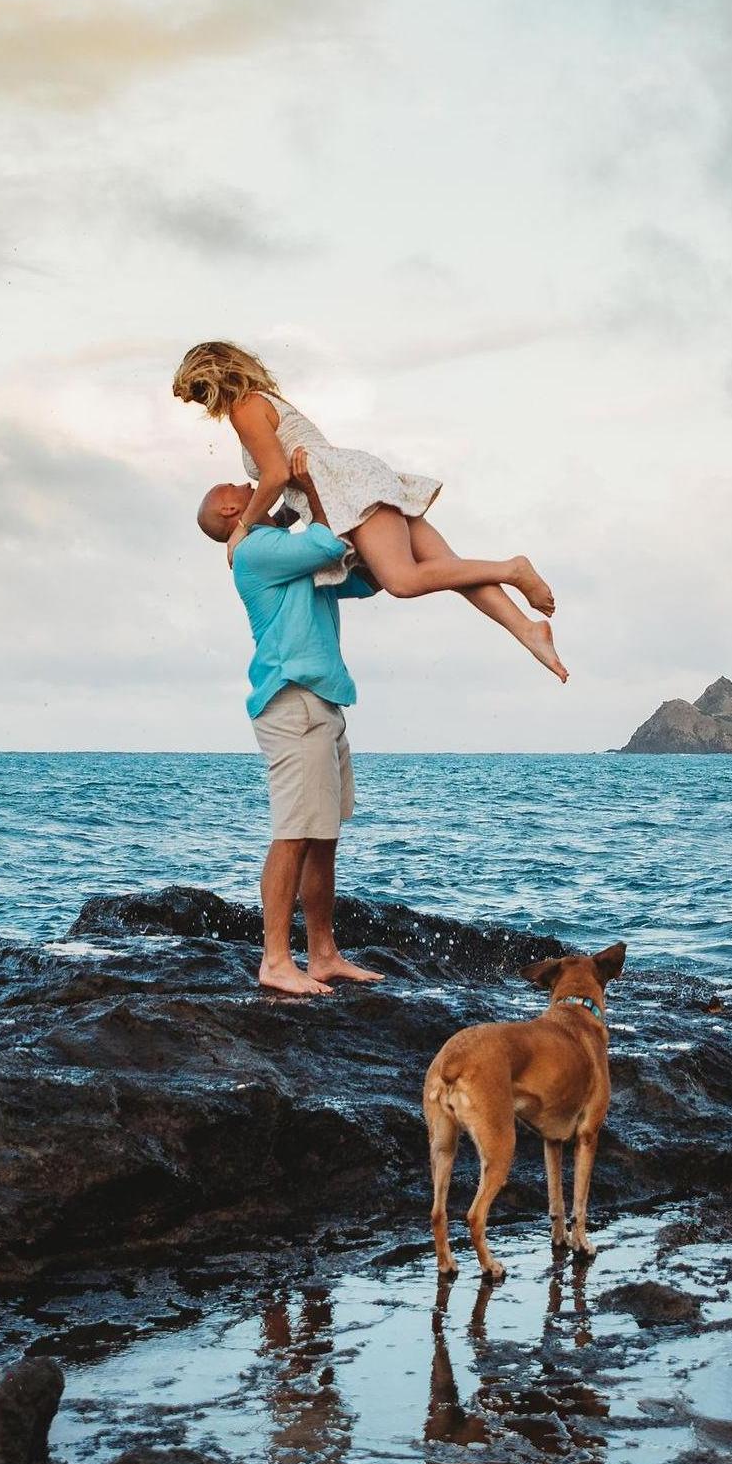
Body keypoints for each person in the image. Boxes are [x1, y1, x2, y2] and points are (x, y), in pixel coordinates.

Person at [172, 340, 566, 682]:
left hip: (348, 488)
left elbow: (275, 475)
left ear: (212, 378)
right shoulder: (262, 401)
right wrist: (276, 520)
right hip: (352, 482)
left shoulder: (243, 407)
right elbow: (293, 482)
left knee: (403, 580)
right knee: (450, 568)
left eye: (199, 395)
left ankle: (512, 568)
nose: (204, 406)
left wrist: (240, 528)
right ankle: (528, 631)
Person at [198, 472, 387, 997]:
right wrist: (311, 482)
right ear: (233, 515)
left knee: (323, 836)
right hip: (293, 699)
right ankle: (276, 960)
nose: (245, 479)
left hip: (322, 699)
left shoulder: (284, 551)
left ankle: (323, 955)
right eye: (234, 487)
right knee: (295, 833)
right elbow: (326, 540)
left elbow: (359, 578)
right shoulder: (257, 549)